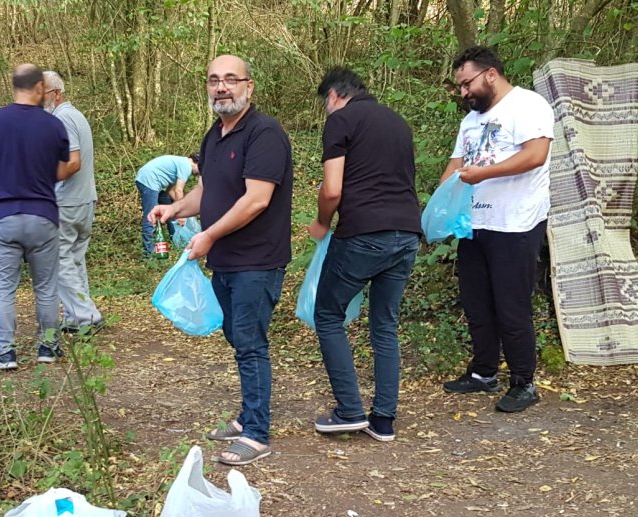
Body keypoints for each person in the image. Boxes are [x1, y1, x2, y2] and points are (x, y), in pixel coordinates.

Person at [150, 55, 293, 466]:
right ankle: (249, 414)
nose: (222, 87)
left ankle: (256, 433)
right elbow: (207, 192)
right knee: (237, 337)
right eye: (214, 80)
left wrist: (208, 235)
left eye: (231, 79)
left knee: (249, 343)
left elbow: (256, 200)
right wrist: (173, 211)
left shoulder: (264, 134)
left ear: (250, 86)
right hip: (225, 260)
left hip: (258, 259)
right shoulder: (215, 135)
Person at [308, 68, 421, 442]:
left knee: (327, 314)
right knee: (384, 325)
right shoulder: (398, 122)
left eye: (326, 103)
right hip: (406, 233)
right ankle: (383, 420)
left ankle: (349, 410)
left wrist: (322, 222)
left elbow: (332, 189)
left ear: (335, 96)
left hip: (363, 233)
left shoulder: (341, 120)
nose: (327, 110)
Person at [440, 46, 554, 413]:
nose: (463, 92)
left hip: (516, 222)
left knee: (511, 304)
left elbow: (536, 155)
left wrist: (483, 174)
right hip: (475, 223)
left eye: (466, 83)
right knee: (477, 302)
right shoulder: (470, 120)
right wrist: (438, 207)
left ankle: (523, 382)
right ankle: (483, 374)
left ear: (490, 74)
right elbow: (457, 164)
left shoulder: (528, 105)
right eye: (459, 86)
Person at [0, 63, 74, 370]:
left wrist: (1, 176)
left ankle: (5, 353)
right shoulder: (54, 125)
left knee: (3, 288)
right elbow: (60, 170)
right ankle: (49, 347)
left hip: (3, 215)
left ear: (14, 86)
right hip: (43, 215)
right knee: (46, 287)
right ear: (40, 88)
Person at [42, 71, 104, 332]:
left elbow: (73, 163)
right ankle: (74, 317)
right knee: (74, 260)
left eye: (41, 94)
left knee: (57, 260)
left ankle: (86, 315)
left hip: (68, 201)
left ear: (56, 93)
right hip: (83, 200)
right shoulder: (74, 115)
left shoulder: (63, 118)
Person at [135, 154, 200, 256]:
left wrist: (181, 208)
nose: (198, 174)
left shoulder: (180, 163)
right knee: (150, 216)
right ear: (197, 163)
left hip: (145, 178)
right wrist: (182, 214)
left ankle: (174, 238)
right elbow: (178, 191)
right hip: (149, 181)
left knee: (166, 200)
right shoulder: (186, 166)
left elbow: (170, 191)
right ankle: (149, 253)